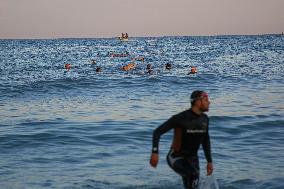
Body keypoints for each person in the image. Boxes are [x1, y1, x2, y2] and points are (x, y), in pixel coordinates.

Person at [150, 90, 213, 189]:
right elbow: (157, 132)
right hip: (176, 156)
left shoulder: (205, 119)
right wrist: (155, 152)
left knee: (192, 183)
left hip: (193, 159)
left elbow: (205, 140)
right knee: (192, 175)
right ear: (197, 102)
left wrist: (209, 161)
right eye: (206, 99)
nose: (209, 102)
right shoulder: (181, 118)